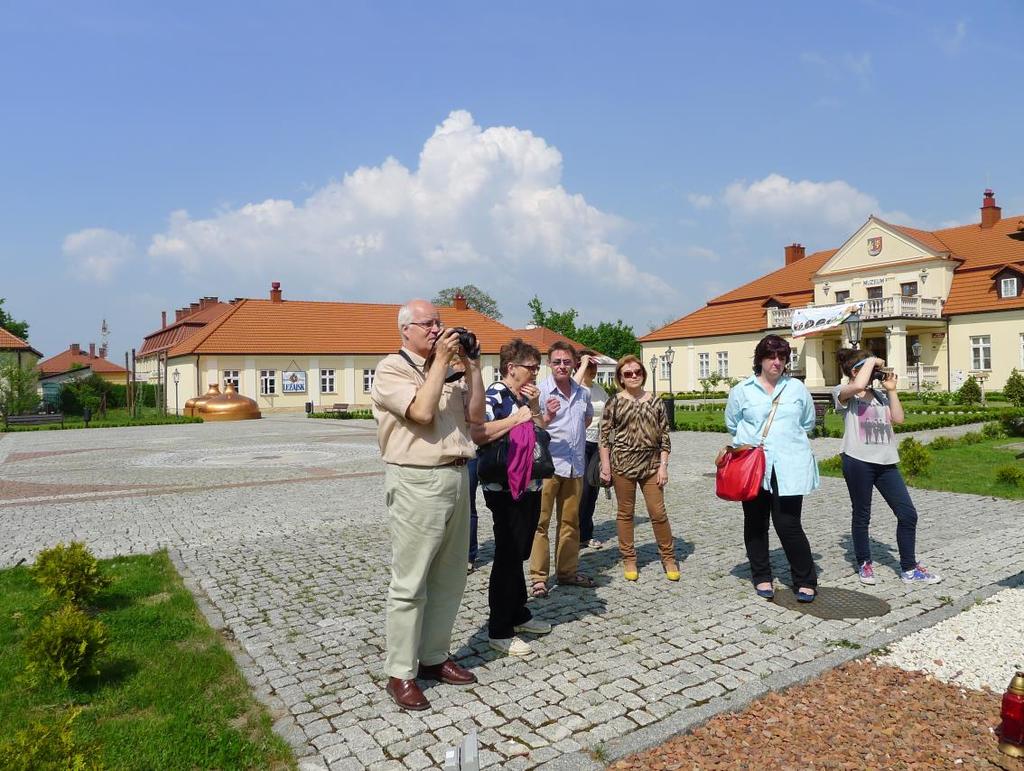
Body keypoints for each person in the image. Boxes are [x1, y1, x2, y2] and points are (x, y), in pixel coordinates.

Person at [370, 299, 484, 711]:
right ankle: (400, 672)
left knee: (451, 576)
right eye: (428, 324)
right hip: (417, 478)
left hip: (457, 475)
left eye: (439, 322)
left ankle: (434, 657)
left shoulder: (449, 368)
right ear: (406, 329)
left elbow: (475, 416)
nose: (437, 329)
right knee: (411, 581)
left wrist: (470, 367)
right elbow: (420, 412)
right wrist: (440, 363)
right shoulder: (391, 369)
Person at [470, 339, 554, 656]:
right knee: (506, 555)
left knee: (519, 551)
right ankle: (499, 629)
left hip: (529, 483)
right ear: (511, 367)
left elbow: (539, 431)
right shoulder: (494, 394)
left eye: (536, 367)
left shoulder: (522, 396)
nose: (535, 373)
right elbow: (479, 432)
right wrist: (515, 418)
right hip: (504, 487)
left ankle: (518, 613)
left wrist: (532, 410)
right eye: (530, 368)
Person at [724, 334, 819, 602]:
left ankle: (805, 579)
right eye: (771, 357)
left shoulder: (796, 389)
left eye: (782, 357)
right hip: (753, 466)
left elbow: (807, 422)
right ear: (760, 359)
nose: (777, 362)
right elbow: (733, 424)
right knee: (755, 523)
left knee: (788, 524)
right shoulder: (742, 391)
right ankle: (762, 576)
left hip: (788, 465)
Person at [833, 350, 941, 585]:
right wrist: (873, 360)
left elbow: (899, 419)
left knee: (907, 514)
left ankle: (909, 568)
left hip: (886, 462)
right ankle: (864, 563)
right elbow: (859, 383)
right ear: (856, 371)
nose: (876, 372)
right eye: (871, 370)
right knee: (862, 515)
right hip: (858, 460)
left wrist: (891, 390)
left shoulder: (880, 395)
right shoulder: (844, 394)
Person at [598, 355, 679, 581]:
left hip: (651, 464)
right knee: (625, 513)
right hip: (622, 464)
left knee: (658, 512)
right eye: (628, 374)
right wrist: (606, 467)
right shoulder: (614, 402)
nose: (633, 376)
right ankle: (629, 558)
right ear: (621, 378)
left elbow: (664, 436)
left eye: (637, 372)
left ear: (643, 374)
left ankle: (668, 557)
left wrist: (664, 466)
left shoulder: (655, 401)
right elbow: (604, 437)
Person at [528, 341, 595, 597]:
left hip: (575, 466)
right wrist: (547, 417)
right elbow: (531, 429)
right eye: (557, 362)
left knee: (570, 523)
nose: (562, 366)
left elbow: (587, 418)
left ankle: (567, 572)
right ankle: (539, 577)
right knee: (541, 523)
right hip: (548, 467)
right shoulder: (541, 392)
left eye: (567, 362)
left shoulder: (583, 392)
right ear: (549, 364)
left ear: (574, 364)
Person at [575, 349, 609, 549]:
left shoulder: (598, 389)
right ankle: (575, 533)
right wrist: (584, 363)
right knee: (583, 491)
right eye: (590, 366)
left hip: (598, 442)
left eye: (595, 367)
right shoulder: (576, 386)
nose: (594, 370)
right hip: (580, 442)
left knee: (593, 489)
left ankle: (586, 533)